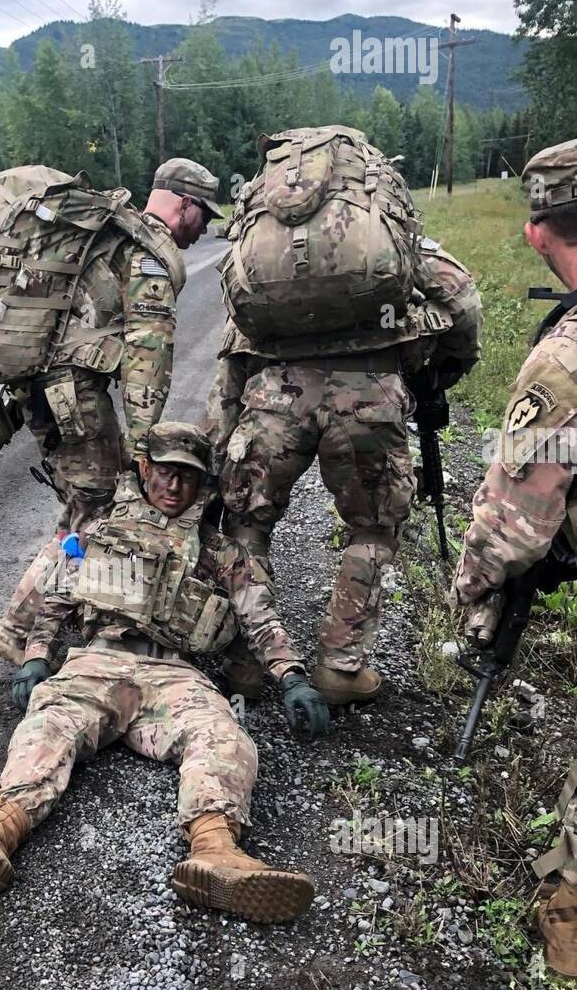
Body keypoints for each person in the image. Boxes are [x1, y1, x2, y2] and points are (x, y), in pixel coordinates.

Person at [0, 423, 328, 922]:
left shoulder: (219, 552)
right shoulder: (99, 529)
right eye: (165, 473)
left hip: (173, 673)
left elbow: (259, 617)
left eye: (187, 478)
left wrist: (292, 676)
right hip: (97, 660)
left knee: (221, 734)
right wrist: (36, 654)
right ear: (144, 469)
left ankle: (216, 852)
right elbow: (58, 592)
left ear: (202, 484)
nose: (174, 487)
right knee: (49, 723)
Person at [206, 129, 481, 706]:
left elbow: (233, 348)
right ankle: (339, 665)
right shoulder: (384, 241)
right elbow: (461, 300)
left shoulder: (268, 258)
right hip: (368, 396)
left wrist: (222, 430)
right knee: (373, 527)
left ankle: (250, 665)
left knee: (248, 525)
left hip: (273, 398)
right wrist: (443, 372)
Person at [0, 158, 224, 667]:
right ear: (183, 204)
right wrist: (144, 451)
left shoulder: (109, 236)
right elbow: (146, 362)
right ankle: (17, 630)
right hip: (74, 397)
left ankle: (38, 620)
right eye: (203, 215)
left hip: (43, 391)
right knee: (98, 510)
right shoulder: (148, 256)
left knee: (79, 506)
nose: (204, 229)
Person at [452, 139, 577, 978]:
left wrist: (467, 594)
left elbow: (511, 527)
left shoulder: (563, 360)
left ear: (536, 233)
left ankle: (567, 914)